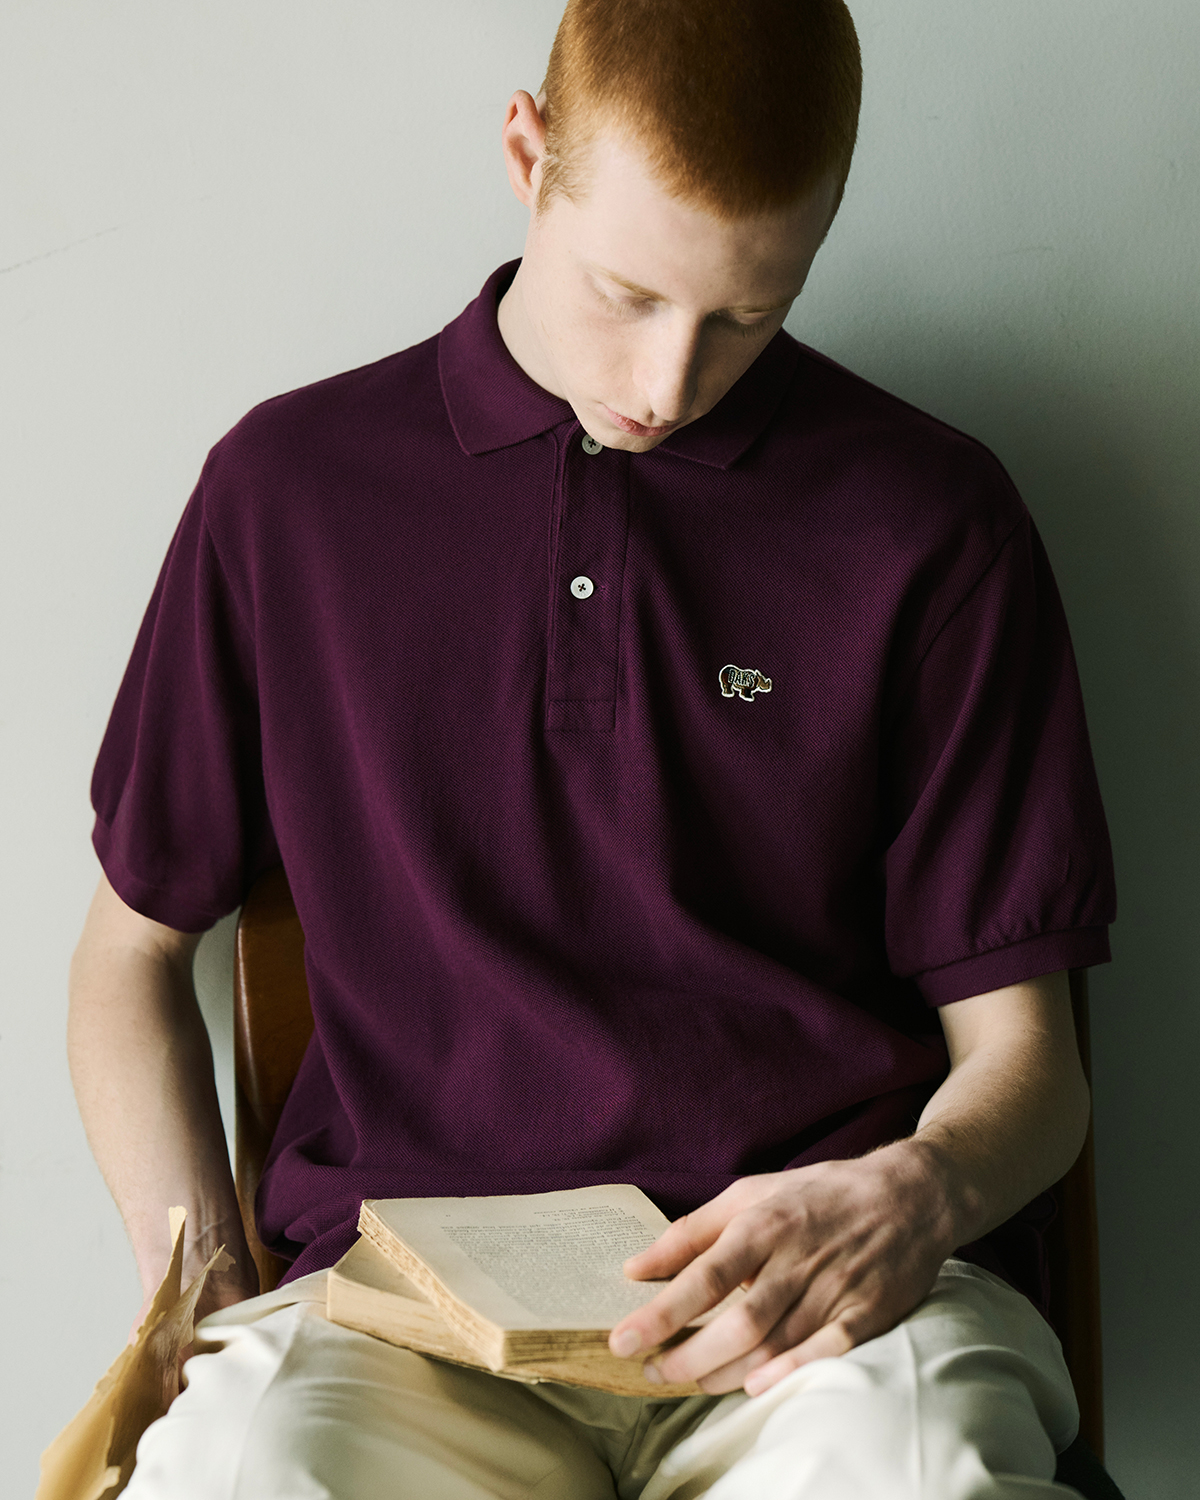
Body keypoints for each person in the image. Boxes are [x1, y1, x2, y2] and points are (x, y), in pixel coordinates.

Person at [68, 1, 1116, 1495]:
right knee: (240, 1465)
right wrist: (209, 1292)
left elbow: (1029, 1062)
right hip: (398, 1308)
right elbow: (127, 957)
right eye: (629, 293)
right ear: (527, 153)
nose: (672, 380)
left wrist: (920, 1192)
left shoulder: (934, 522)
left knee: (929, 1468)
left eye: (749, 314)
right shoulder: (284, 494)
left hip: (821, 1303)